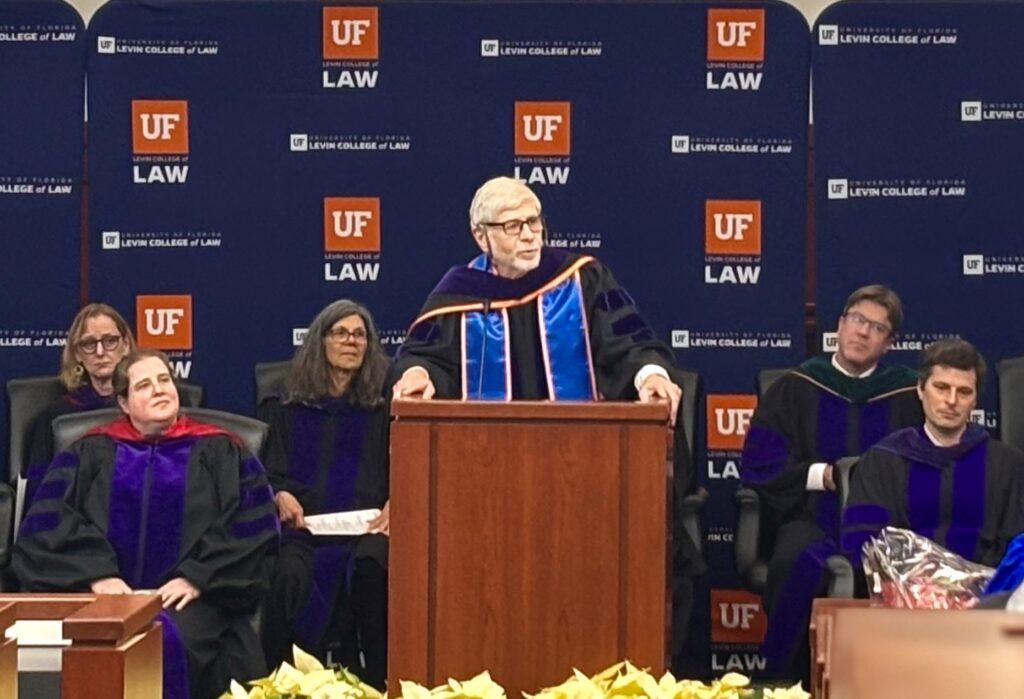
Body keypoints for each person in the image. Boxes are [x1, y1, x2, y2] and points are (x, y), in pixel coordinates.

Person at [389, 176, 702, 669]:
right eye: (514, 226)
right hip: (486, 482)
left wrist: (649, 374)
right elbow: (425, 357)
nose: (531, 235)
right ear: (481, 235)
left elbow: (629, 342)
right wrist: (417, 376)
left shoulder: (582, 278)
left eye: (535, 221)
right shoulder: (458, 295)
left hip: (586, 476)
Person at [14, 349, 278, 699]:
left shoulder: (223, 450)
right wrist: (96, 575)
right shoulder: (88, 452)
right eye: (144, 385)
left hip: (191, 601)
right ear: (123, 401)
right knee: (52, 644)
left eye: (164, 380)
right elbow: (45, 525)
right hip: (101, 597)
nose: (158, 390)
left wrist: (198, 576)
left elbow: (252, 525)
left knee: (158, 637)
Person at [740, 284, 923, 677]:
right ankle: (788, 680)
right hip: (811, 515)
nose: (863, 333)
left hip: (886, 525)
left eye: (877, 328)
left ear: (888, 343)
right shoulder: (796, 386)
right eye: (857, 320)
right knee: (792, 558)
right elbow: (759, 462)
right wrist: (821, 476)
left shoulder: (909, 394)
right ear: (839, 326)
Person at [259, 300, 390, 688]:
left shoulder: (384, 408)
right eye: (341, 333)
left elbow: (406, 470)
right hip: (304, 528)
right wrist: (279, 493)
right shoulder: (284, 405)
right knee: (290, 572)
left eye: (360, 335)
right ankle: (282, 683)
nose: (351, 341)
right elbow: (265, 472)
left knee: (371, 566)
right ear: (321, 340)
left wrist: (397, 502)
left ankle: (378, 681)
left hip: (368, 527)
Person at [842, 339, 1024, 580]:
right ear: (920, 389)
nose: (951, 400)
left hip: (986, 603)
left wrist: (974, 583)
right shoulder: (882, 461)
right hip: (903, 601)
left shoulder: (1008, 466)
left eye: (964, 392)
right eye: (941, 387)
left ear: (975, 400)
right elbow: (863, 545)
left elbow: (1016, 548)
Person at [24, 303, 135, 506]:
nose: (100, 352)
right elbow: (39, 492)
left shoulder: (149, 406)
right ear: (77, 354)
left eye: (110, 341)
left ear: (126, 345)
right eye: (89, 344)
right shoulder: (56, 416)